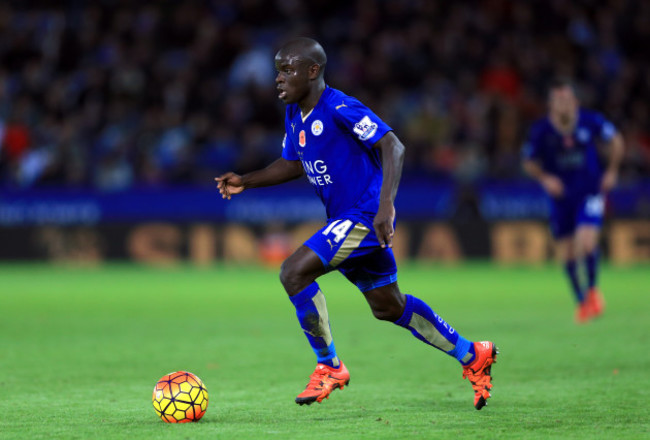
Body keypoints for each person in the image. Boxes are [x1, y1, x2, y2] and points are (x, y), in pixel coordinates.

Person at [216, 37, 497, 410]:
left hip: (364, 217)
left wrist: (386, 207)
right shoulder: (295, 113)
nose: (279, 79)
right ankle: (472, 354)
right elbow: (293, 163)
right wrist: (245, 181)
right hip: (347, 220)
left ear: (313, 71)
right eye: (277, 71)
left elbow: (393, 145)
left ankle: (329, 366)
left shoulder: (340, 107)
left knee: (293, 272)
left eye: (287, 71)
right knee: (388, 306)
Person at [522, 78, 624, 323]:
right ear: (551, 105)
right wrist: (545, 179)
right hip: (560, 198)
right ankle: (581, 302)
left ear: (575, 102)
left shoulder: (591, 121)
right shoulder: (541, 130)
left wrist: (611, 171)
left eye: (567, 100)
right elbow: (528, 161)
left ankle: (592, 290)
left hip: (589, 191)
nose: (563, 105)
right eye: (558, 101)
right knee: (566, 252)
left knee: (586, 242)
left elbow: (616, 140)